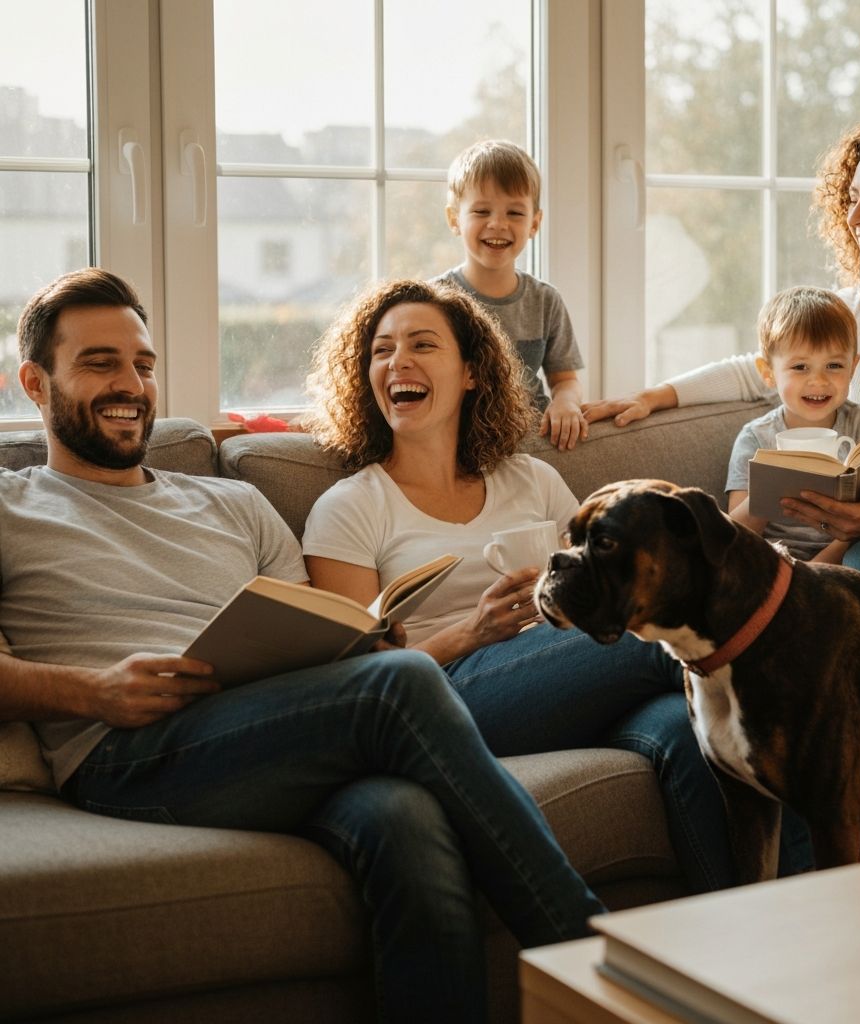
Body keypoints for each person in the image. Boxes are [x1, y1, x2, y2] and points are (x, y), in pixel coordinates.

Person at [4, 267, 606, 1024]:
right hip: (128, 751)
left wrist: (368, 635)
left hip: (267, 733)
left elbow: (323, 635)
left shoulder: (235, 502)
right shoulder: (11, 506)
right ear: (34, 382)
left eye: (143, 365)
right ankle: (598, 967)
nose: (131, 383)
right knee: (400, 684)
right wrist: (91, 692)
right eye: (100, 363)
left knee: (405, 816)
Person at [584, 111, 860, 855]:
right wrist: (654, 397)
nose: (855, 215)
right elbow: (755, 363)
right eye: (851, 196)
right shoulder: (859, 311)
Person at [301, 277, 737, 894]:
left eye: (423, 345)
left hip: (572, 676)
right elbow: (356, 686)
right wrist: (470, 632)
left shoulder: (530, 478)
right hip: (450, 698)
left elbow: (600, 592)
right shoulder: (350, 508)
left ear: (472, 373)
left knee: (684, 728)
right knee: (666, 636)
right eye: (381, 349)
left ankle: (736, 935)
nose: (399, 361)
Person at [434, 138, 588, 450]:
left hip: (532, 444)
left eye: (515, 213)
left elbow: (565, 380)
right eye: (481, 210)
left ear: (535, 223)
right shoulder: (435, 300)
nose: (498, 224)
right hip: (460, 446)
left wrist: (566, 404)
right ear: (454, 220)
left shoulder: (546, 301)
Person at [727, 285, 860, 564]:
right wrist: (771, 486)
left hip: (846, 558)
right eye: (800, 367)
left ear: (853, 367)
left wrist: (818, 570)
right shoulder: (755, 438)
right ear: (768, 373)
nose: (819, 381)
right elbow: (735, 536)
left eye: (834, 365)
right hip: (775, 562)